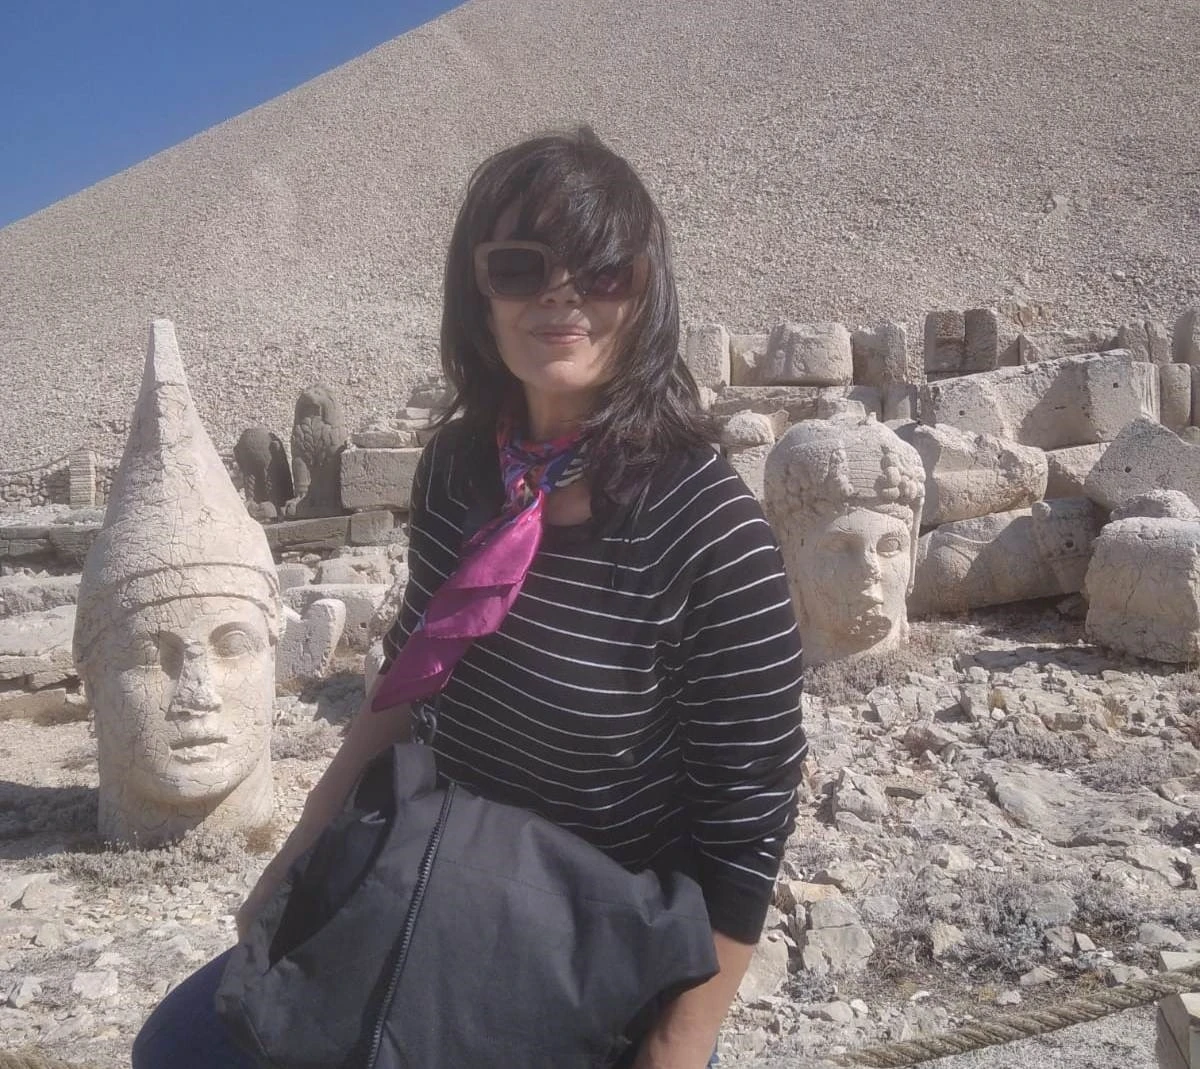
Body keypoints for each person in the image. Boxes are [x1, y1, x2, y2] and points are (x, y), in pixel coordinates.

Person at [133, 126, 806, 1069]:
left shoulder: (710, 532)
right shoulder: (459, 469)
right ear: (478, 291)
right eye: (522, 267)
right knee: (179, 1046)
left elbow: (745, 825)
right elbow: (411, 677)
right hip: (433, 872)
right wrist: (298, 853)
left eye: (603, 270)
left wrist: (676, 1046)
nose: (562, 294)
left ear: (646, 292)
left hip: (589, 938)